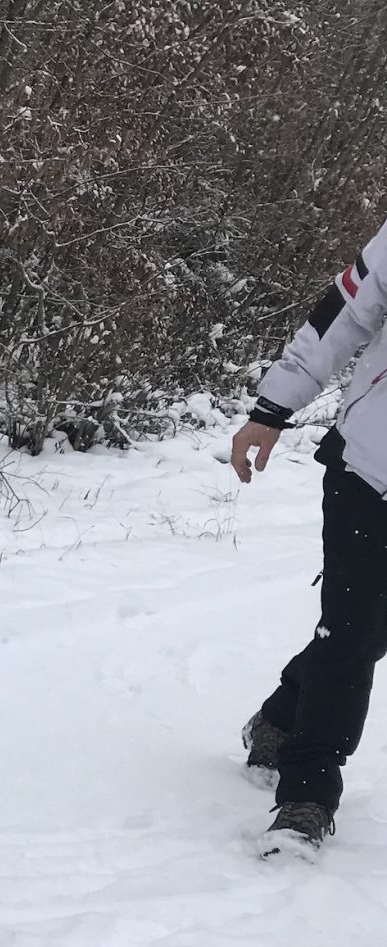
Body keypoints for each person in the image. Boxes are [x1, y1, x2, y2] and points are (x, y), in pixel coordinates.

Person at [230, 219, 387, 859]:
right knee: (350, 631)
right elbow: (342, 317)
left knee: (370, 632)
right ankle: (306, 796)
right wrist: (272, 409)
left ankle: (277, 715)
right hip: (369, 467)